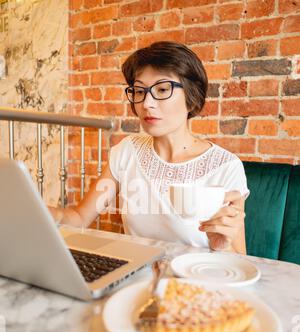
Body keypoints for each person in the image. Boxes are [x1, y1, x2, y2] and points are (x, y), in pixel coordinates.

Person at [49, 42, 249, 254]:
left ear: (191, 99)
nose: (146, 103)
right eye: (139, 91)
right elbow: (79, 218)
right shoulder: (127, 152)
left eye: (162, 89)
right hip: (136, 278)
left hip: (195, 283)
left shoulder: (225, 167)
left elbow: (240, 261)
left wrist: (222, 246)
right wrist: (37, 210)